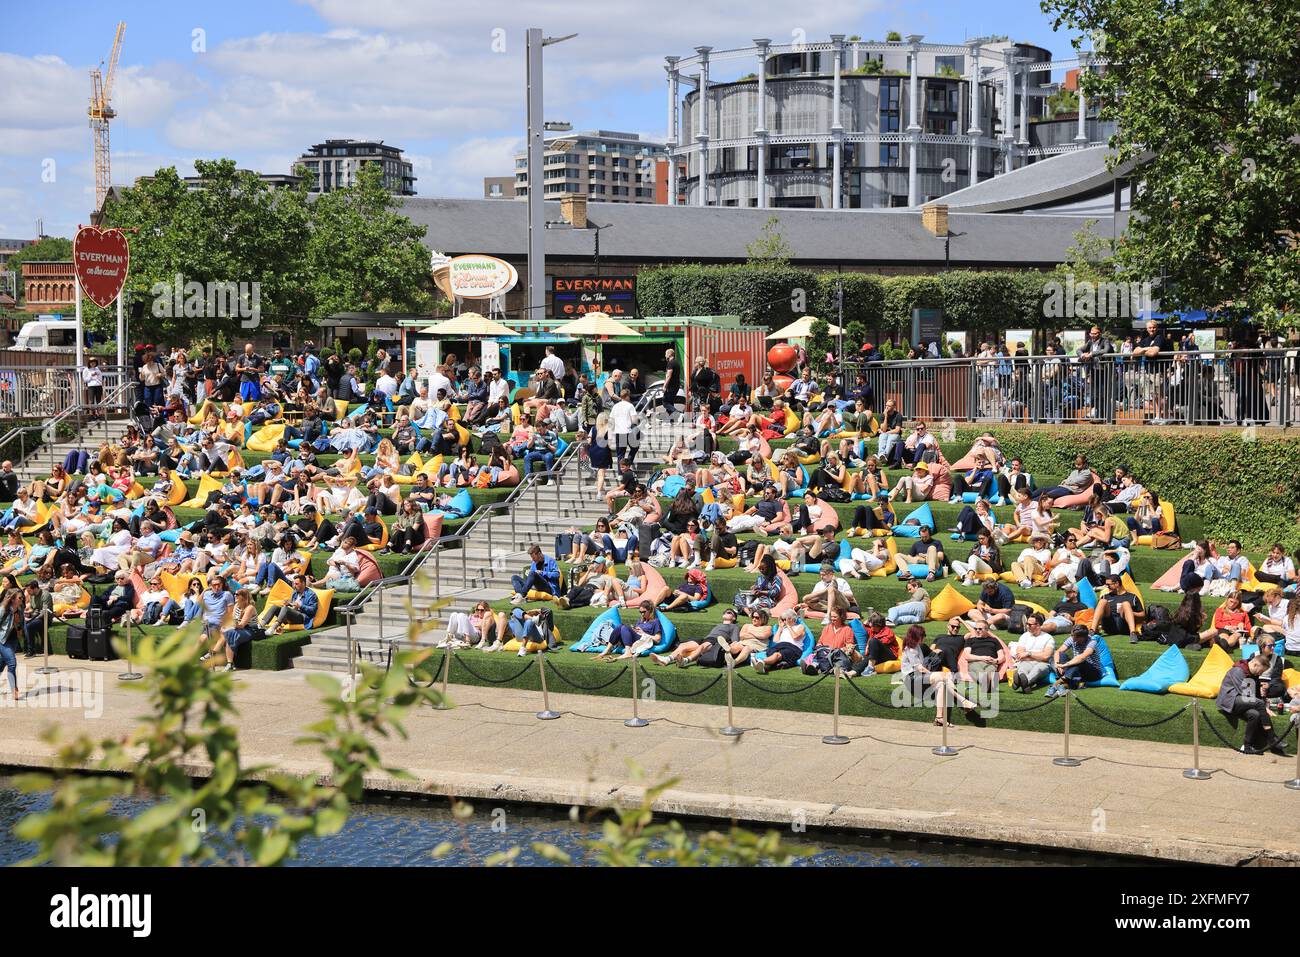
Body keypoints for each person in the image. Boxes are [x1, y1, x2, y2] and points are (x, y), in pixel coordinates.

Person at [1216, 654, 1286, 755]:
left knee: (1255, 715)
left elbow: (1255, 694)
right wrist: (1263, 707)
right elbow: (1246, 694)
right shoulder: (1238, 671)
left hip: (1241, 701)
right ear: (1255, 664)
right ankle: (1272, 738)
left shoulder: (1253, 673)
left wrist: (1264, 706)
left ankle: (1247, 746)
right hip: (1229, 700)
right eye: (1261, 671)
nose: (1261, 673)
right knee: (1259, 703)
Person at [652, 607, 741, 668]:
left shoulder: (734, 627)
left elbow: (735, 641)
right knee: (684, 646)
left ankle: (685, 661)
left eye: (729, 613)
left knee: (701, 647)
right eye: (725, 612)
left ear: (733, 618)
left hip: (716, 641)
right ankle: (666, 659)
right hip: (706, 638)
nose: (726, 613)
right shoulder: (719, 625)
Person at [1044, 624, 1102, 698]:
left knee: (1080, 660)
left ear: (1082, 638)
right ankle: (1065, 686)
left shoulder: (1092, 642)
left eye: (1073, 636)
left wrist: (1065, 665)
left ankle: (1055, 684)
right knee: (1060, 655)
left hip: (1093, 673)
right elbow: (1058, 651)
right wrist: (1057, 664)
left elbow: (1082, 657)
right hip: (1076, 670)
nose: (1071, 637)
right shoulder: (1072, 639)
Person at [597, 600, 663, 661]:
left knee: (624, 627)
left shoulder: (655, 621)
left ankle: (628, 652)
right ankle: (607, 650)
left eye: (644, 612)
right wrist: (633, 629)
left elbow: (658, 639)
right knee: (620, 626)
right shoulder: (640, 621)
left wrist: (643, 633)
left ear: (650, 610)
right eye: (640, 612)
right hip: (633, 640)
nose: (642, 614)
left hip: (643, 640)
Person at [1008, 613, 1055, 691]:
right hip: (1027, 662)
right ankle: (1024, 683)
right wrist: (1037, 656)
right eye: (1027, 624)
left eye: (1030, 625)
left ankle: (1023, 682)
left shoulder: (1048, 638)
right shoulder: (1024, 636)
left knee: (1038, 669)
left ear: (1038, 625)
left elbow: (1046, 656)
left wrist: (1028, 654)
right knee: (1023, 668)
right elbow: (1019, 654)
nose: (1027, 626)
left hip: (1042, 664)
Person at [751, 609, 806, 674]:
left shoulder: (800, 627)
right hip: (780, 646)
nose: (784, 622)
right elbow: (775, 640)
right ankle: (764, 666)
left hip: (793, 648)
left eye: (785, 619)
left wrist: (788, 626)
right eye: (783, 620)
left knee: (777, 655)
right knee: (772, 652)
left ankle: (761, 662)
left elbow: (795, 637)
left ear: (792, 619)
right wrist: (780, 628)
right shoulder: (784, 628)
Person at [1093, 573, 1143, 637]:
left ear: (1117, 583)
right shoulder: (1105, 596)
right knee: (1103, 601)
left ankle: (1133, 633)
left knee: (1126, 604)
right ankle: (1093, 631)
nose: (1107, 587)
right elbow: (1098, 613)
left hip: (1124, 624)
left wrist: (1129, 612)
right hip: (1109, 625)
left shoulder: (1132, 597)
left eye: (1108, 585)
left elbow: (1142, 615)